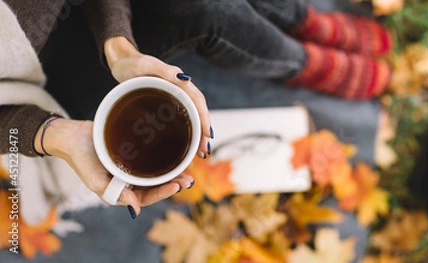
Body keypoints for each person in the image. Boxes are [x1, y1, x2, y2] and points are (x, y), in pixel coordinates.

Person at [1, 0, 392, 219]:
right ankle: (302, 63)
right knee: (207, 12)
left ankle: (303, 21)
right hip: (45, 91)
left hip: (91, 14)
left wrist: (119, 46)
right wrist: (53, 135)